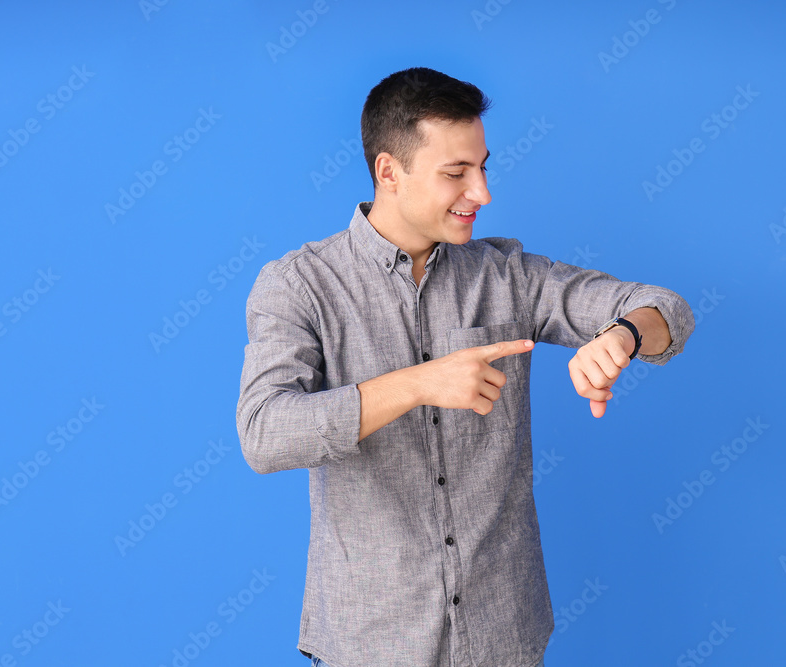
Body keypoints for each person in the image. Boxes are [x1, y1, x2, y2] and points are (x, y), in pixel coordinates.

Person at [236, 66, 694, 667]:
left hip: (504, 634)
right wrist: (420, 383)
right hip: (370, 643)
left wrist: (626, 336)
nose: (482, 193)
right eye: (457, 173)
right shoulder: (300, 286)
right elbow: (265, 433)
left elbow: (667, 308)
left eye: (482, 167)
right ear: (389, 173)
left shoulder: (508, 276)